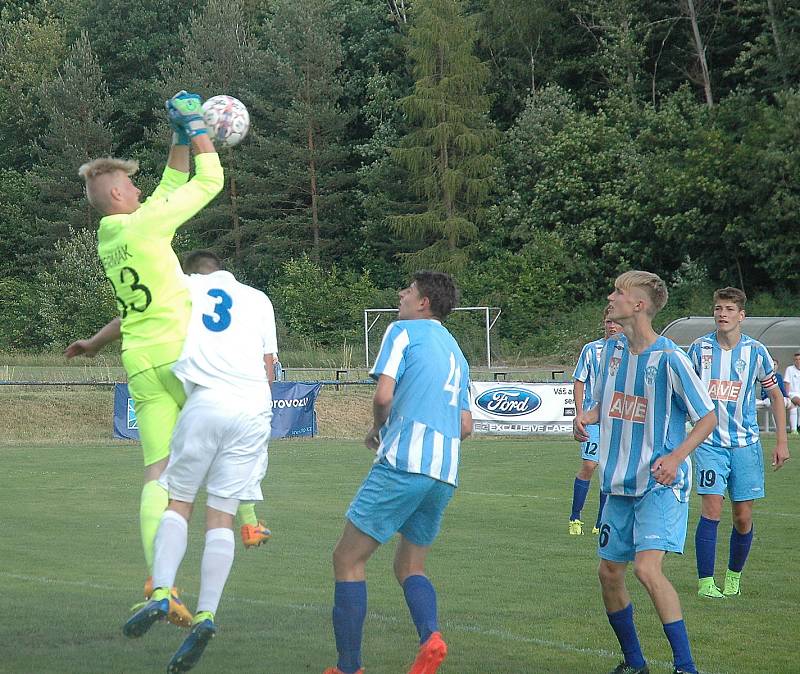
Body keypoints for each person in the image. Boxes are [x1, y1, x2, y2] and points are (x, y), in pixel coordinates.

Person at [122, 250, 276, 672]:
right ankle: (207, 615)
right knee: (221, 516)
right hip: (254, 409)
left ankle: (162, 591)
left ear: (193, 272)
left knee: (178, 501)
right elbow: (269, 366)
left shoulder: (187, 288)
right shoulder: (259, 298)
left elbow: (142, 311)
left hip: (209, 400)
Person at [324, 271, 472, 674]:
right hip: (444, 472)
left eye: (407, 290)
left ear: (423, 302)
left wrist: (377, 428)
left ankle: (348, 667)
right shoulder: (456, 351)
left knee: (348, 559)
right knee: (410, 566)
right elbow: (465, 425)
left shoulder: (403, 331)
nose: (401, 294)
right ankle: (431, 637)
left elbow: (383, 394)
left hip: (404, 463)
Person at [574, 270, 717, 674]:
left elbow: (707, 417)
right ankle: (635, 663)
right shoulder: (612, 353)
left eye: (619, 291)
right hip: (618, 483)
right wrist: (586, 416)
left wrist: (676, 458)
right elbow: (604, 404)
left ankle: (685, 666)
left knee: (646, 568)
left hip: (659, 484)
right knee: (608, 572)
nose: (611, 296)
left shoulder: (671, 357)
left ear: (638, 305)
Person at [687, 287, 789, 599]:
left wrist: (782, 441)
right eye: (718, 308)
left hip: (745, 445)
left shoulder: (756, 352)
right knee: (712, 508)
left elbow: (774, 395)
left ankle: (733, 577)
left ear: (741, 316)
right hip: (708, 444)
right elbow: (684, 392)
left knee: (743, 516)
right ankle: (706, 582)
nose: (722, 314)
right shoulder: (699, 349)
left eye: (729, 309)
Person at [568, 308, 621, 535]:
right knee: (590, 465)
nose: (611, 326)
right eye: (608, 322)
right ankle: (575, 517)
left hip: (618, 420)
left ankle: (600, 521)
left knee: (609, 470)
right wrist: (581, 412)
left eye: (616, 322)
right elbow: (579, 380)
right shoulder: (592, 350)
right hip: (593, 418)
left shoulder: (629, 350)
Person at [784, 352, 800, 433]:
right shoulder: (790, 369)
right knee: (797, 401)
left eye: (799, 359)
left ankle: (794, 429)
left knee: (794, 408)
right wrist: (787, 397)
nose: (798, 361)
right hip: (792, 394)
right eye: (796, 359)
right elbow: (787, 383)